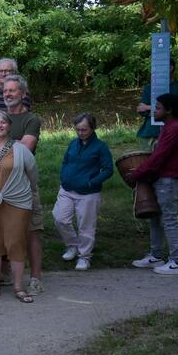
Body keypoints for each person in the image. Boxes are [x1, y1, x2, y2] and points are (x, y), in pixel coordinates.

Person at [0, 111, 39, 303]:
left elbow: (33, 174)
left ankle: (19, 286)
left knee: (16, 242)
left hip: (17, 202)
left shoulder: (21, 149)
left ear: (9, 126)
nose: (0, 125)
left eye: (3, 122)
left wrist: (21, 191)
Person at [129, 93, 178, 276]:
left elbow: (158, 157)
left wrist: (138, 173)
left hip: (171, 181)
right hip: (164, 179)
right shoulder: (169, 127)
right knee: (155, 218)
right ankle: (156, 255)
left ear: (169, 110)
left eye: (157, 108)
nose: (154, 111)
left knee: (169, 219)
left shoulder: (175, 129)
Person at [0, 75, 45, 292]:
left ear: (23, 94)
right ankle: (6, 274)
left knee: (31, 231)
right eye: (5, 91)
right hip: (0, 185)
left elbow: (25, 148)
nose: (8, 94)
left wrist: (0, 143)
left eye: (12, 91)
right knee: (2, 231)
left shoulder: (31, 120)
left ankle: (35, 278)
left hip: (24, 185)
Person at [54, 112, 114, 271]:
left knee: (86, 226)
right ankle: (72, 245)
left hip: (88, 193)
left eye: (84, 130)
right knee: (59, 218)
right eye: (78, 129)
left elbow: (108, 170)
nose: (80, 133)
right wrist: (63, 176)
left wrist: (91, 182)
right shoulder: (73, 143)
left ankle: (84, 257)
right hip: (67, 188)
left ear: (93, 128)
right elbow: (65, 161)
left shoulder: (100, 147)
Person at [137, 59, 178, 141]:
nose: (154, 70)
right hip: (150, 133)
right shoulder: (149, 88)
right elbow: (141, 110)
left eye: (158, 67)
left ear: (170, 68)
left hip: (173, 132)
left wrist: (148, 107)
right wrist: (165, 111)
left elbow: (177, 109)